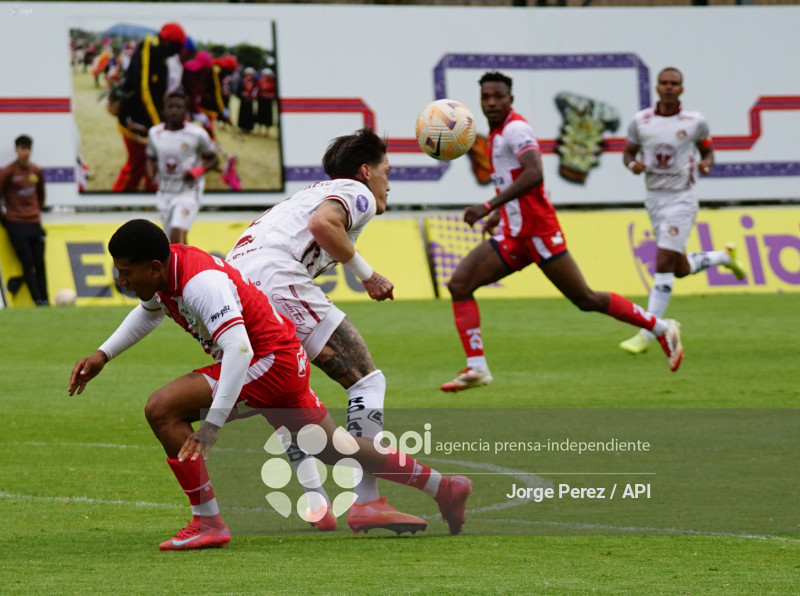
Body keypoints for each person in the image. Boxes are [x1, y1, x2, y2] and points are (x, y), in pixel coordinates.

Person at [68, 219, 472, 550]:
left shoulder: (199, 283)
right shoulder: (169, 272)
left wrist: (211, 425)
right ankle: (444, 487)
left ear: (154, 267)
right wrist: (103, 354)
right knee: (335, 449)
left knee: (161, 408)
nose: (121, 280)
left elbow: (239, 352)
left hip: (267, 362)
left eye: (125, 272)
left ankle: (208, 522)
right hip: (283, 358)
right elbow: (150, 312)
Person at [228, 127, 422, 534]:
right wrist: (369, 276)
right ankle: (368, 502)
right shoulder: (357, 192)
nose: (390, 180)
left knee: (282, 394)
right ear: (366, 171)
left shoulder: (300, 197)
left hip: (232, 289)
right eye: (388, 169)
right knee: (366, 381)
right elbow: (323, 225)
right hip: (273, 277)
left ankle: (317, 504)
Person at [440, 71, 685, 393]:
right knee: (460, 285)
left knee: (585, 298)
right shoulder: (498, 133)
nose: (491, 103)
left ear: (510, 99)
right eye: (486, 97)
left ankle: (661, 327)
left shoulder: (516, 129)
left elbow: (534, 174)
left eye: (498, 96)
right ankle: (477, 368)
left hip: (539, 233)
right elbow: (513, 179)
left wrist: (487, 206)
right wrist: (500, 213)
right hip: (514, 235)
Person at [619, 66, 745, 354]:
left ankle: (647, 333)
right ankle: (725, 257)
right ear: (656, 87)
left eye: (674, 83)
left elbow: (707, 150)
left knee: (662, 262)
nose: (668, 87)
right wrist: (632, 164)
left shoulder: (694, 121)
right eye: (663, 83)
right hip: (654, 199)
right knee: (678, 268)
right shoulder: (641, 121)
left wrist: (707, 163)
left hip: (682, 200)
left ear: (681, 88)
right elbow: (628, 152)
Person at [112, 22, 187, 192]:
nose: (176, 52)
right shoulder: (149, 46)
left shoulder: (163, 57)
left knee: (150, 165)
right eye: (176, 47)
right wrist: (157, 123)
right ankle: (117, 199)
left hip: (149, 123)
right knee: (137, 164)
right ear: (168, 42)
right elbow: (144, 88)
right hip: (137, 120)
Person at [145, 92, 219, 245]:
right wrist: (151, 174)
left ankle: (179, 268)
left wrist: (197, 171)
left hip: (188, 191)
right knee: (175, 243)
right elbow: (151, 158)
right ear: (163, 110)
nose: (174, 110)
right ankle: (187, 267)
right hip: (165, 192)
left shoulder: (197, 134)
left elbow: (214, 159)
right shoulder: (155, 133)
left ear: (186, 111)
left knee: (176, 232)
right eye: (170, 106)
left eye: (179, 107)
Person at [0, 135, 49, 305]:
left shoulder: (36, 171)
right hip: (16, 224)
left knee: (40, 263)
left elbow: (41, 194)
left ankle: (46, 300)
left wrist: (36, 210)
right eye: (22, 148)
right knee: (27, 262)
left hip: (34, 222)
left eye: (27, 148)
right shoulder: (8, 171)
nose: (25, 152)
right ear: (16, 150)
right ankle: (37, 301)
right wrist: (6, 219)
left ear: (31, 150)